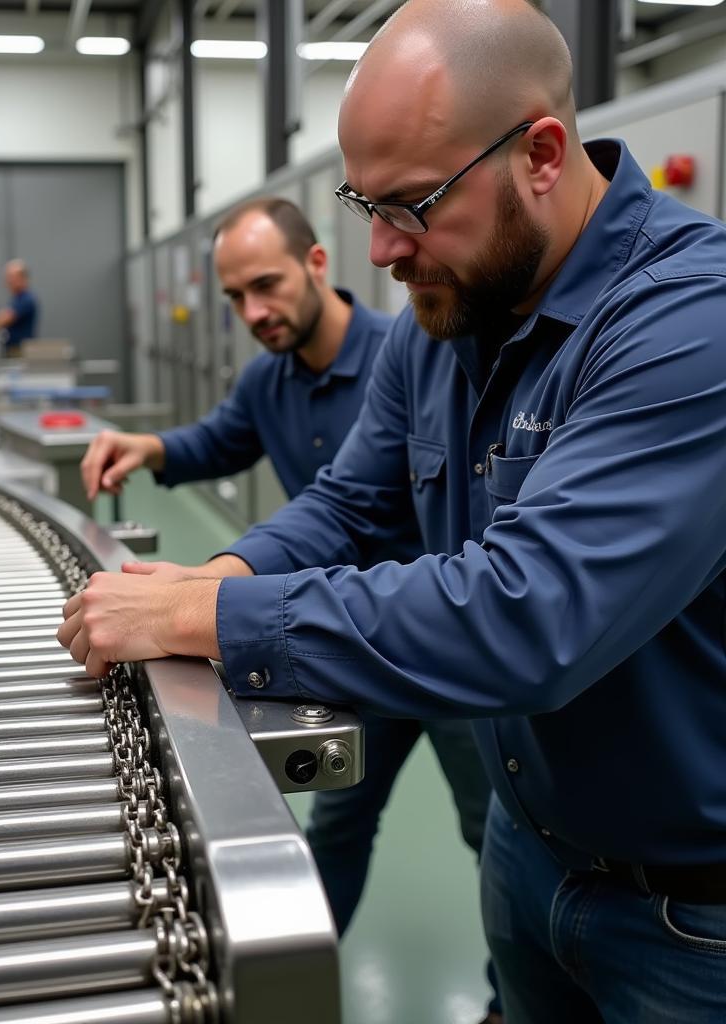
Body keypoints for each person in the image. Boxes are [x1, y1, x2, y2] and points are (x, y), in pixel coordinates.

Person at [58, 1, 726, 1022]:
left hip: (688, 919)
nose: (379, 251)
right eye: (362, 203)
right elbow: (350, 503)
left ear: (541, 154)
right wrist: (213, 578)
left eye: (410, 203)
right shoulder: (443, 311)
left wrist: (213, 621)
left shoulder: (686, 321)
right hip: (529, 845)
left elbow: (531, 612)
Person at [80, 196, 500, 1021]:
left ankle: (501, 998)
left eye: (266, 286)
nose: (254, 313)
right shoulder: (268, 378)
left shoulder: (413, 347)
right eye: (236, 298)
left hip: (445, 649)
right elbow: (259, 460)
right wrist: (156, 456)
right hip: (341, 653)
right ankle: (283, 990)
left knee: (496, 835)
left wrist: (205, 599)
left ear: (317, 264)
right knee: (338, 827)